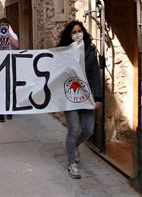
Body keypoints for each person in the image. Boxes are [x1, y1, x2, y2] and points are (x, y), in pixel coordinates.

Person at [58, 20, 102, 179]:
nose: (77, 34)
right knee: (74, 129)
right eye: (73, 32)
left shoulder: (90, 50)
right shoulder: (63, 52)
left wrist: (98, 97)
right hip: (70, 96)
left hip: (87, 96)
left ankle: (73, 146)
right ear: (69, 35)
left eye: (79, 30)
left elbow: (95, 75)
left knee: (88, 130)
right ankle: (72, 164)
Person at [0, 18, 19, 122]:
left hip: (10, 63)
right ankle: (0, 112)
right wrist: (0, 38)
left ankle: (9, 109)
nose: (4, 26)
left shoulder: (13, 35)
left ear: (8, 25)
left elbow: (17, 46)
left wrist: (9, 35)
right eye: (2, 25)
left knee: (10, 87)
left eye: (6, 24)